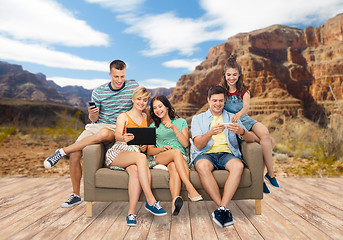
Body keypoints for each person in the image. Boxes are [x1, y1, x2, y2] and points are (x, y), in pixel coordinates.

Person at [44, 60, 139, 208]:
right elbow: (93, 119)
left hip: (118, 127)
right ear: (110, 74)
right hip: (98, 124)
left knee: (104, 133)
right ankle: (75, 195)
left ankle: (62, 151)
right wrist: (92, 114)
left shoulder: (133, 87)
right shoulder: (98, 92)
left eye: (122, 76)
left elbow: (141, 105)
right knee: (75, 153)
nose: (119, 80)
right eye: (116, 77)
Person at [191, 86, 256, 228]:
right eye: (214, 100)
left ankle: (221, 208)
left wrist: (242, 131)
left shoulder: (232, 117)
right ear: (208, 100)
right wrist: (209, 133)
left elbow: (253, 139)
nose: (218, 104)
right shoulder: (198, 119)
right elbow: (199, 145)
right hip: (206, 154)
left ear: (225, 100)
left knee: (238, 166)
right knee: (201, 166)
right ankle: (223, 208)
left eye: (221, 100)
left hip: (227, 154)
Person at [106, 86, 167, 226]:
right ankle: (151, 200)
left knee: (135, 172)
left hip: (135, 153)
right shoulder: (124, 116)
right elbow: (116, 136)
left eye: (145, 100)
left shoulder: (145, 117)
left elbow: (145, 141)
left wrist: (143, 146)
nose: (141, 102)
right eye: (139, 99)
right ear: (133, 99)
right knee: (141, 158)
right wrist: (124, 138)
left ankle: (131, 214)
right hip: (119, 151)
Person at [220, 54, 279, 194]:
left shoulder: (244, 90)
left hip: (244, 119)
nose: (231, 78)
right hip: (234, 124)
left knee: (265, 134)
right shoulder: (221, 89)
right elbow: (214, 102)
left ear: (239, 75)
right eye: (229, 75)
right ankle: (262, 178)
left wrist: (239, 114)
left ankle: (270, 173)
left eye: (234, 74)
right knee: (270, 142)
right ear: (224, 75)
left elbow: (246, 107)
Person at [147, 95, 202, 216]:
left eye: (160, 106)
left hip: (179, 158)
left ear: (167, 106)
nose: (158, 110)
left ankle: (174, 202)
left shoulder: (180, 122)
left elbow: (185, 143)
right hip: (161, 156)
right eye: (155, 108)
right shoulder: (153, 127)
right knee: (176, 152)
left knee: (174, 168)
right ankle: (189, 188)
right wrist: (162, 148)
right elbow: (150, 151)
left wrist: (173, 128)